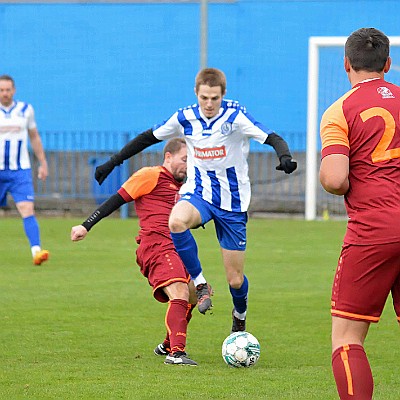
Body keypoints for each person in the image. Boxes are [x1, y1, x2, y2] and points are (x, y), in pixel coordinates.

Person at [94, 68, 297, 332]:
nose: (209, 104)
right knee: (176, 221)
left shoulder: (235, 116)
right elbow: (147, 137)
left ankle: (240, 313)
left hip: (233, 203)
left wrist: (285, 156)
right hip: (199, 193)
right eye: (204, 98)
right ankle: (200, 284)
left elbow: (272, 136)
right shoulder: (185, 117)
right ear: (196, 93)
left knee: (235, 279)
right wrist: (113, 162)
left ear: (223, 94)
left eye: (214, 98)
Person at [319, 28, 400, 399]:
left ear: (347, 65)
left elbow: (336, 179)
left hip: (375, 228)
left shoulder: (339, 110)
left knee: (347, 337)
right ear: (387, 64)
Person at [71, 138, 199, 366]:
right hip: (157, 245)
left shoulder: (185, 186)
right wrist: (85, 225)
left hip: (179, 246)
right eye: (184, 160)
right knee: (179, 291)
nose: (188, 166)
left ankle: (168, 345)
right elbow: (116, 200)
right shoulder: (150, 175)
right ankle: (176, 354)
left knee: (194, 294)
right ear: (168, 157)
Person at [0, 74, 49, 265]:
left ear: (14, 90)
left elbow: (34, 137)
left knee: (27, 209)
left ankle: (36, 251)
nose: (5, 93)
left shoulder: (25, 110)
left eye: (8, 90)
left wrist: (43, 162)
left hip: (19, 171)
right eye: (1, 90)